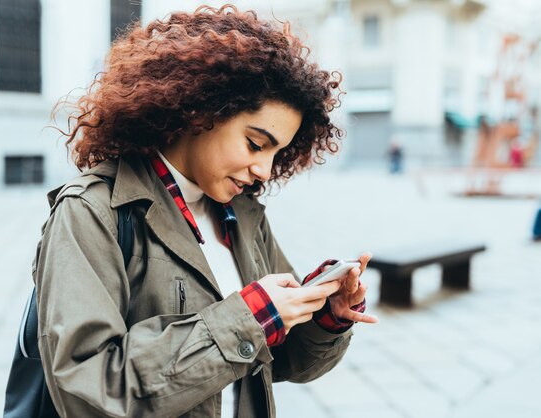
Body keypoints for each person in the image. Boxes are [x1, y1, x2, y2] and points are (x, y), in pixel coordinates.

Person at [35, 5, 377, 418]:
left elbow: (274, 358)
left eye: (278, 153)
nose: (264, 170)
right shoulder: (93, 210)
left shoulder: (245, 215)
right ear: (200, 111)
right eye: (255, 143)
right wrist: (248, 316)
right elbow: (87, 389)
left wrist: (325, 318)